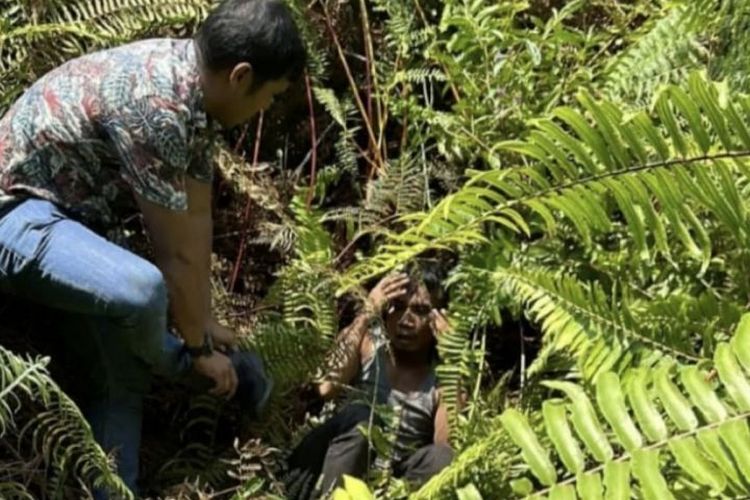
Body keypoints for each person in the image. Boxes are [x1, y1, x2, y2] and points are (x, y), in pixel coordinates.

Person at [0, 0, 306, 494]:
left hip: (74, 231)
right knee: (142, 289)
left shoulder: (196, 102)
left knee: (122, 383)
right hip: (15, 217)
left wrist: (203, 320)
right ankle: (184, 369)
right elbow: (173, 252)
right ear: (241, 76)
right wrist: (197, 349)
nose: (265, 110)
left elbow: (196, 219)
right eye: (269, 97)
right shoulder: (156, 102)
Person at [284, 262, 455, 499]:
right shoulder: (366, 343)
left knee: (442, 458)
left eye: (420, 310)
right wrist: (366, 313)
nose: (406, 320)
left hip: (390, 481)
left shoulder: (442, 375)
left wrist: (455, 359)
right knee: (361, 416)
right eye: (397, 307)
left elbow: (448, 446)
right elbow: (325, 386)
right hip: (331, 466)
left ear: (439, 318)